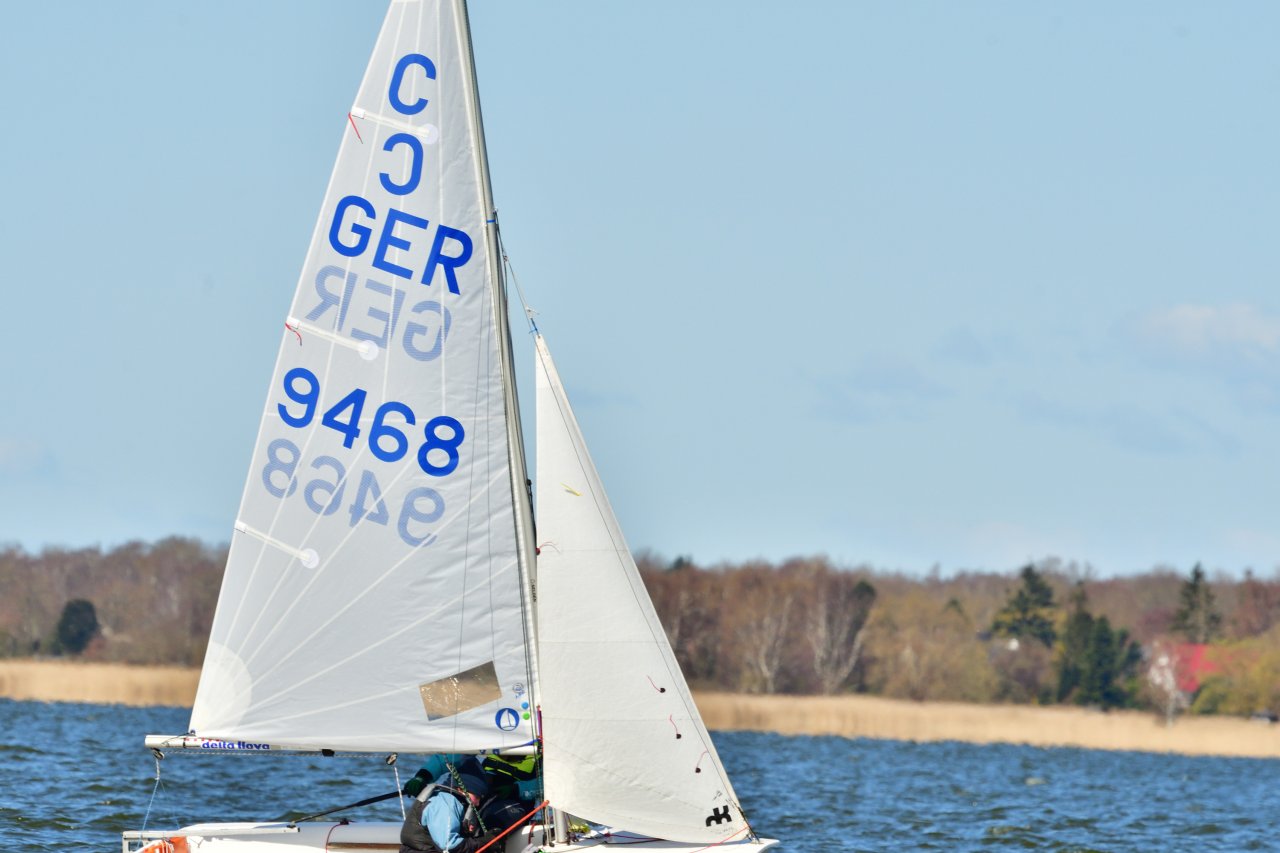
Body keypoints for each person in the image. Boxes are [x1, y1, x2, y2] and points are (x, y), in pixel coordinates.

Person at [398, 754, 533, 853]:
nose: (478, 802)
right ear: (461, 789)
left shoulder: (454, 802)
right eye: (477, 796)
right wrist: (484, 843)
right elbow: (450, 847)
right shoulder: (445, 804)